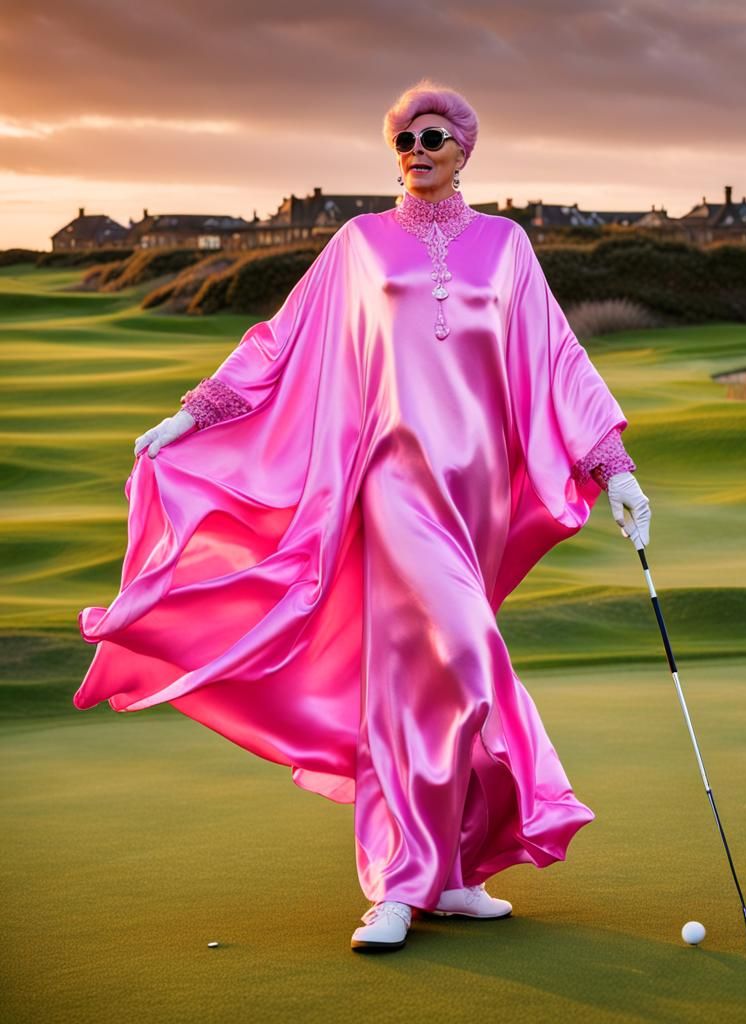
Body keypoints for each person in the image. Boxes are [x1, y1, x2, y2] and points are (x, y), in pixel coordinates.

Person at [73, 78, 652, 954]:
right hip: (392, 477)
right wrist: (192, 415)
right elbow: (281, 338)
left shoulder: (507, 246)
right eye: (402, 141)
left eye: (431, 137)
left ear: (464, 149)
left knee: (432, 680)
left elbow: (557, 356)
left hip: (480, 491)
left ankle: (450, 875)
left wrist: (615, 468)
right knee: (460, 655)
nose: (415, 151)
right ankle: (395, 884)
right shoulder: (359, 244)